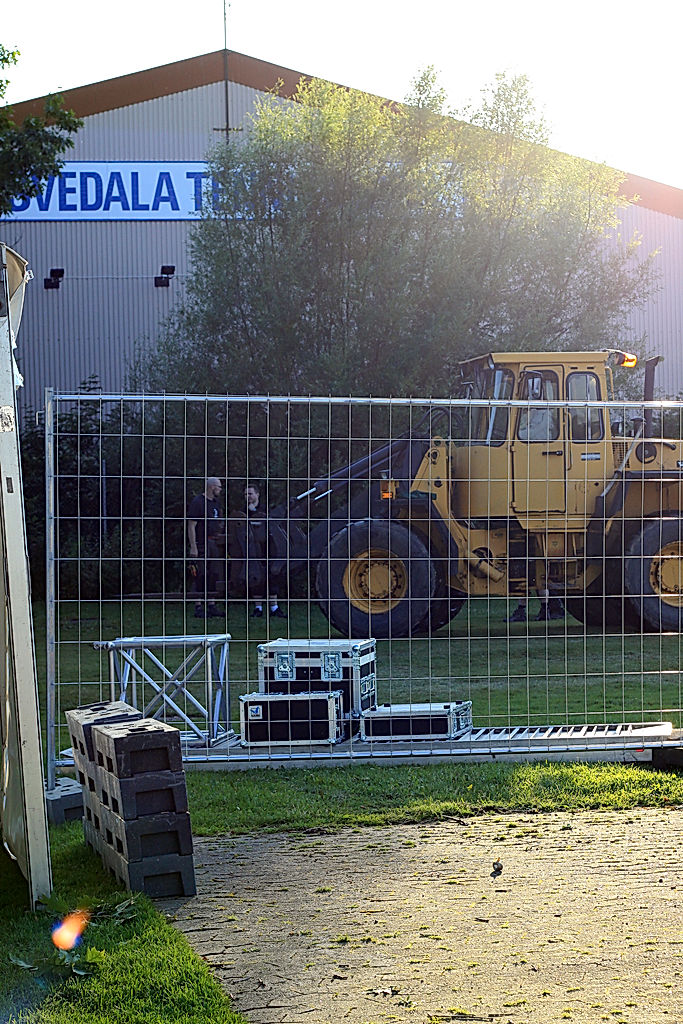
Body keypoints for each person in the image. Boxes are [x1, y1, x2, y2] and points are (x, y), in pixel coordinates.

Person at [244, 483, 285, 618]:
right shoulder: (243, 512)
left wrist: (255, 512)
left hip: (268, 548)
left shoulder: (265, 510)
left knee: (272, 576)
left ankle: (274, 608)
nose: (248, 497)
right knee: (255, 577)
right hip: (252, 550)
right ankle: (258, 608)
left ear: (257, 494)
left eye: (250, 494)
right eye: (246, 494)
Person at [187, 476, 224, 618]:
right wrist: (193, 546)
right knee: (200, 574)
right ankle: (198, 606)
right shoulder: (198, 502)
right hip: (202, 543)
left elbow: (219, 520)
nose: (220, 489)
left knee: (214, 573)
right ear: (212, 487)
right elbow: (191, 525)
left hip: (214, 542)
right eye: (219, 487)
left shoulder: (216, 503)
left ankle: (211, 605)